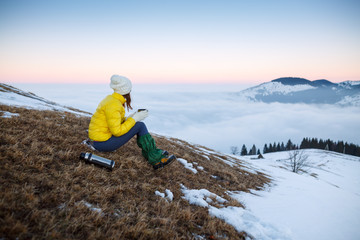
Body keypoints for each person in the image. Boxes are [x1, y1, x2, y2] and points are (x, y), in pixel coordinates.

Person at [87, 75, 176, 169]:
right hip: (102, 144)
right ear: (125, 90)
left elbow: (113, 121)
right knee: (140, 125)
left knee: (138, 125)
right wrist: (134, 119)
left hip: (98, 140)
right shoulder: (114, 105)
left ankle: (152, 152)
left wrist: (131, 117)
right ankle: (156, 159)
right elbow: (117, 132)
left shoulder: (111, 99)